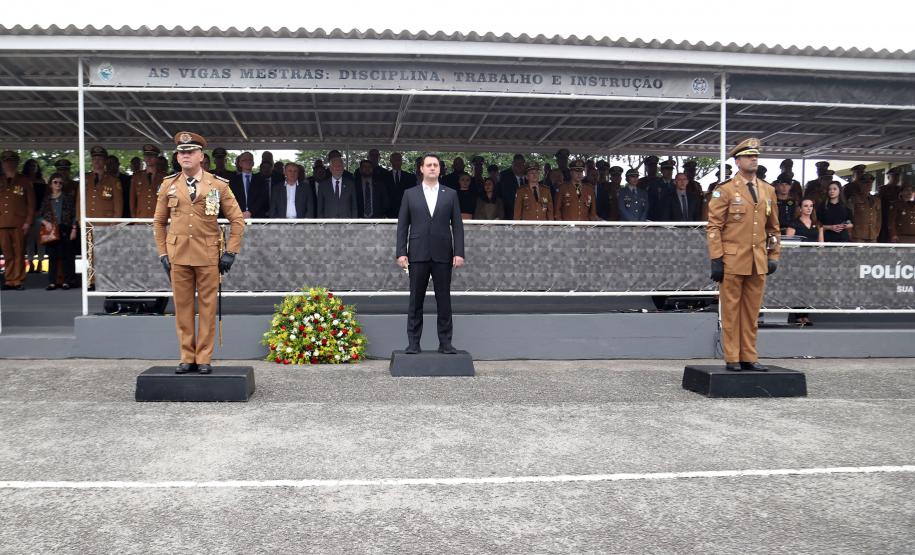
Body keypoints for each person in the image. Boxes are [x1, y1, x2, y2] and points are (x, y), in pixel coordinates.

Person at [153, 131, 245, 374]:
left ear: (201, 156)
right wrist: (162, 253)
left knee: (207, 307)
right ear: (177, 157)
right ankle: (187, 356)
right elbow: (159, 222)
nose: (186, 156)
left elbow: (237, 220)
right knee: (182, 308)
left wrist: (231, 251)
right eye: (181, 152)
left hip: (207, 255)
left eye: (191, 152)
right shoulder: (168, 184)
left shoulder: (217, 185)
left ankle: (204, 357)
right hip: (178, 255)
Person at [706, 137, 780, 372]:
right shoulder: (725, 190)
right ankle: (732, 357)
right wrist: (716, 259)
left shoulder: (768, 190)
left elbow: (773, 228)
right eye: (748, 156)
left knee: (751, 312)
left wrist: (773, 255)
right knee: (731, 311)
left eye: (755, 156)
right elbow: (714, 227)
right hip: (732, 259)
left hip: (758, 260)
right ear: (737, 161)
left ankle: (749, 355)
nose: (754, 159)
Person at [396, 153, 464, 355]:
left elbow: (457, 226)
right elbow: (402, 225)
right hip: (417, 254)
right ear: (422, 169)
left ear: (440, 169)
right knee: (415, 301)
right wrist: (401, 252)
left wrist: (459, 252)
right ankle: (413, 343)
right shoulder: (410, 194)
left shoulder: (450, 194)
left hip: (443, 254)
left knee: (444, 301)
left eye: (435, 165)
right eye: (429, 165)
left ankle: (446, 343)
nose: (432, 168)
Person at [0, 151, 35, 290]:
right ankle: (9, 279)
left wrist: (28, 222)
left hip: (19, 222)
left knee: (19, 252)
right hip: (2, 222)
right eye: (6, 162)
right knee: (7, 253)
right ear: (3, 164)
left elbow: (31, 204)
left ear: (16, 163)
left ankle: (18, 280)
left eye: (11, 161)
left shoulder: (24, 181)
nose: (9, 164)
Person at [37, 173, 77, 289]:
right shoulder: (47, 199)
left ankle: (66, 281)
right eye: (55, 182)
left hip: (65, 228)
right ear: (50, 184)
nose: (58, 184)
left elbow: (74, 215)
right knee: (52, 257)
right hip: (51, 231)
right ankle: (52, 282)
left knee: (66, 256)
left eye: (60, 182)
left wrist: (74, 229)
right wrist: (46, 223)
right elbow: (39, 216)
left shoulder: (68, 197)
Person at [228, 151, 270, 219]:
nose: (247, 162)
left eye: (250, 160)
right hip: (238, 216)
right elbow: (231, 199)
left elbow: (262, 199)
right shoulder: (233, 181)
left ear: (253, 163)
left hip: (257, 218)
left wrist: (250, 212)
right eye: (244, 160)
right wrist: (241, 213)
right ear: (240, 163)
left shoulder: (261, 180)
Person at [22, 159, 45, 274]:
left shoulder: (41, 181)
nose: (33, 168)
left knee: (41, 240)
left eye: (35, 166)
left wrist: (41, 211)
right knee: (29, 240)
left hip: (40, 214)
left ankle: (40, 262)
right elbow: (20, 198)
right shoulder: (23, 181)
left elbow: (45, 198)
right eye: (31, 166)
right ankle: (30, 263)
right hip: (26, 215)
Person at [130, 144, 164, 219]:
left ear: (157, 159)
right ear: (144, 158)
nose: (149, 158)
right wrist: (134, 218)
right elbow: (132, 200)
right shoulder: (137, 177)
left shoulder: (164, 177)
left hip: (159, 217)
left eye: (152, 156)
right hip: (141, 217)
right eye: (146, 155)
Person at [848, 174, 881, 243]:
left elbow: (879, 218)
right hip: (858, 235)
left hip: (872, 235)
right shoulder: (854, 199)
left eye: (870, 183)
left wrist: (877, 232)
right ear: (860, 184)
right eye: (866, 183)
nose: (869, 185)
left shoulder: (876, 200)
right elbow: (849, 217)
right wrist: (850, 233)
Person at [385, 152, 415, 218]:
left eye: (399, 160)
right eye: (395, 159)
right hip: (389, 211)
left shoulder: (409, 176)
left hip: (405, 210)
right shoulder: (385, 176)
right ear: (391, 161)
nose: (397, 162)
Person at [498, 154, 527, 220]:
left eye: (521, 164)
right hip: (509, 216)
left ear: (524, 165)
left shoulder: (529, 177)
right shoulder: (505, 177)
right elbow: (502, 197)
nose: (519, 166)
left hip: (527, 216)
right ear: (512, 164)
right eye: (517, 164)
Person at [878, 167, 903, 242]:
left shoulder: (900, 189)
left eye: (898, 176)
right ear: (888, 177)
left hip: (897, 219)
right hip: (885, 218)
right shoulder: (883, 189)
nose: (896, 178)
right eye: (894, 176)